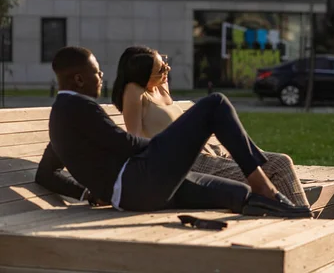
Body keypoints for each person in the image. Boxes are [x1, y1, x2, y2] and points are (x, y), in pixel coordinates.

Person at [36, 46, 311, 218]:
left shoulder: (62, 116)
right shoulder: (78, 108)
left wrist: (88, 193)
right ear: (80, 79)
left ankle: (289, 219)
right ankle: (265, 187)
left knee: (239, 194)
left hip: (139, 191)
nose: (102, 77)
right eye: (97, 73)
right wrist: (176, 144)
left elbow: (44, 173)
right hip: (141, 182)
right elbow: (125, 143)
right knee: (216, 104)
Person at [110, 46, 309, 207]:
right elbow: (134, 138)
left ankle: (299, 217)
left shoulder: (160, 87)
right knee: (278, 167)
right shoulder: (134, 91)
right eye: (161, 70)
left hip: (213, 153)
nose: (167, 70)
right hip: (192, 163)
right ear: (142, 77)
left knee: (281, 161)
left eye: (165, 63)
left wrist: (159, 68)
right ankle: (304, 222)